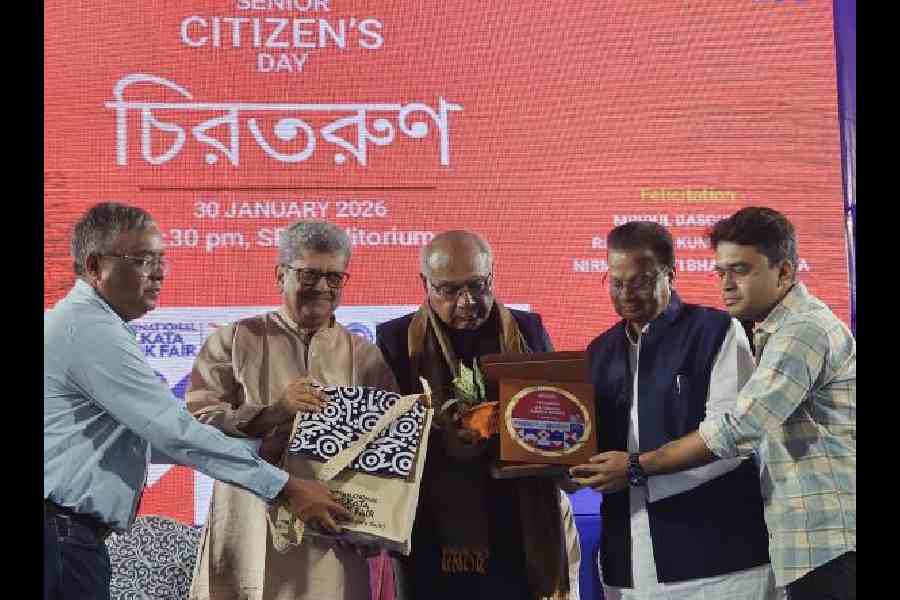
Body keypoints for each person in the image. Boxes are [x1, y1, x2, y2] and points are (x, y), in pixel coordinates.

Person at [44, 203, 351, 600]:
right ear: (94, 265)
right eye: (142, 260)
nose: (159, 272)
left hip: (68, 538)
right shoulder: (90, 330)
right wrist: (286, 486)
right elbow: (175, 432)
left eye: (161, 259)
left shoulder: (86, 325)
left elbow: (143, 439)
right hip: (62, 539)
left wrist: (261, 448)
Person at [583, 208, 856, 600]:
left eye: (740, 270)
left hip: (750, 552)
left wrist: (636, 467)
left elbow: (738, 433)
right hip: (632, 558)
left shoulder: (768, 331)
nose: (727, 284)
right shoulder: (599, 352)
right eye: (721, 272)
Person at [186, 221, 399, 600]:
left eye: (334, 277)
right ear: (280, 275)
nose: (322, 287)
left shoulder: (365, 358)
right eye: (309, 274)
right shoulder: (233, 340)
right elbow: (197, 426)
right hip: (248, 523)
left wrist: (377, 524)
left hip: (331, 533)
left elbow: (387, 446)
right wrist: (274, 412)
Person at [569, 221, 777, 599]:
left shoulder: (716, 331)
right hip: (627, 564)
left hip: (719, 558)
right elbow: (583, 447)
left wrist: (634, 469)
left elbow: (736, 441)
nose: (627, 294)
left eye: (642, 280)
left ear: (672, 274)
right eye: (616, 282)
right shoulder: (599, 353)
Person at [376, 230, 580, 600]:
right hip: (432, 525)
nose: (468, 301)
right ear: (425, 284)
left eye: (477, 285)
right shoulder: (395, 339)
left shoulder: (527, 329)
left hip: (517, 517)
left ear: (493, 275)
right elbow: (387, 438)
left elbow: (555, 414)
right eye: (449, 290)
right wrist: (438, 432)